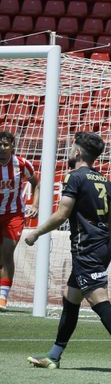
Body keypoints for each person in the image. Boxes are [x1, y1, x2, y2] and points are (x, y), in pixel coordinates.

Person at [23, 133, 111, 373]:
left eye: (72, 148)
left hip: (86, 248)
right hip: (100, 246)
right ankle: (54, 356)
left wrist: (36, 233)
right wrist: (106, 245)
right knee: (71, 299)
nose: (69, 151)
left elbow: (62, 214)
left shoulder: (74, 177)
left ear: (77, 152)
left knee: (98, 299)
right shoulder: (105, 181)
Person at [0, 130, 40, 311]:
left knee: (7, 253)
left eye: (5, 145)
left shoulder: (22, 164)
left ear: (12, 146)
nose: (2, 148)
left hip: (13, 215)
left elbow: (36, 184)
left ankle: (2, 297)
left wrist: (35, 204)